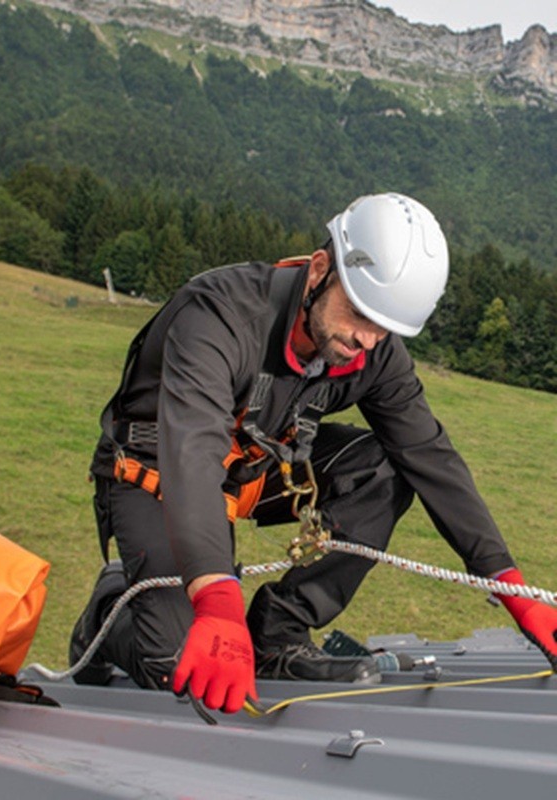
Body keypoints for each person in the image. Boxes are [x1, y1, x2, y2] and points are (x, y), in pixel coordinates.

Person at [69, 192, 557, 714]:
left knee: (386, 467)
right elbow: (191, 450)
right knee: (180, 668)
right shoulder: (218, 314)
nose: (366, 339)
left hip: (258, 468)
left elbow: (428, 454)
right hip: (157, 474)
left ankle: (278, 629)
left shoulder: (373, 351)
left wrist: (507, 582)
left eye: (385, 327)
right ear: (320, 269)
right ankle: (110, 611)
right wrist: (217, 602)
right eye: (359, 313)